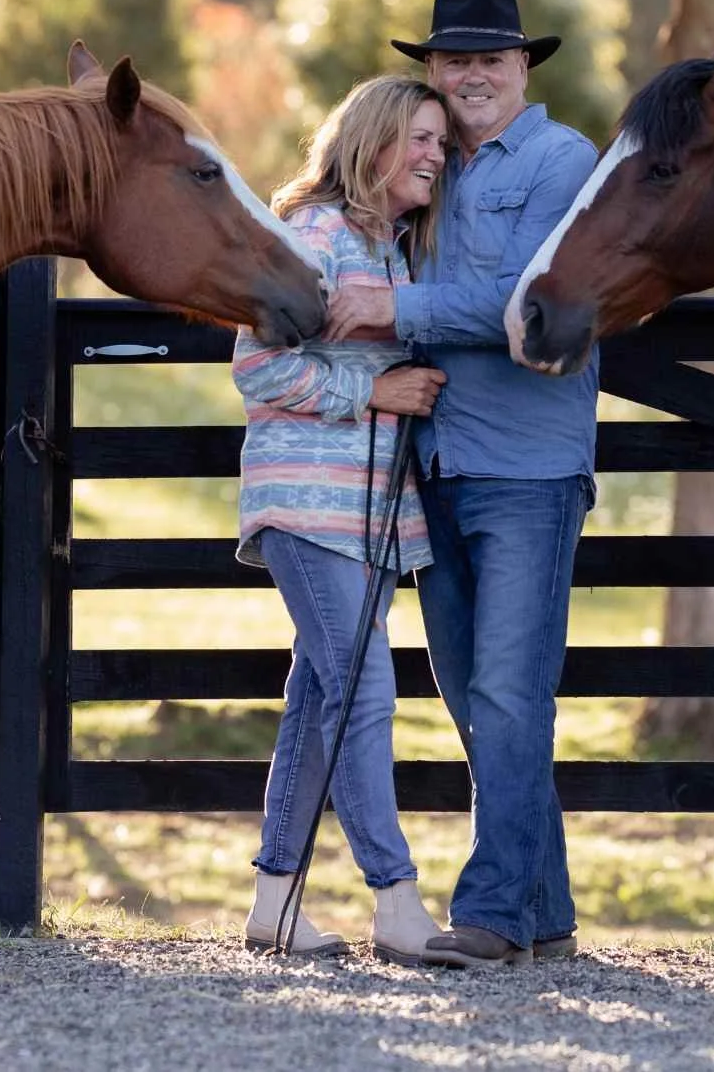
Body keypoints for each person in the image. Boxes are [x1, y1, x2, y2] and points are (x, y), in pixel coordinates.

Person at [324, 0, 600, 968]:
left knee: (512, 694)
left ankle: (487, 914)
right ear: (431, 71)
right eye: (452, 59)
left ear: (524, 68)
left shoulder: (566, 162)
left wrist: (391, 313)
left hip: (527, 467)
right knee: (470, 696)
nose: (472, 74)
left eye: (491, 57)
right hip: (432, 464)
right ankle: (547, 911)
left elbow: (527, 299)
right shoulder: (424, 161)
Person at [233, 74, 452, 963]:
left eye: (442, 141)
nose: (438, 154)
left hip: (367, 518)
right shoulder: (315, 236)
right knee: (364, 693)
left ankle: (274, 903)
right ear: (374, 143)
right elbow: (258, 372)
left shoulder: (394, 248)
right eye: (422, 139)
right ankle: (395, 901)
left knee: (320, 697)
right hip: (307, 508)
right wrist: (378, 388)